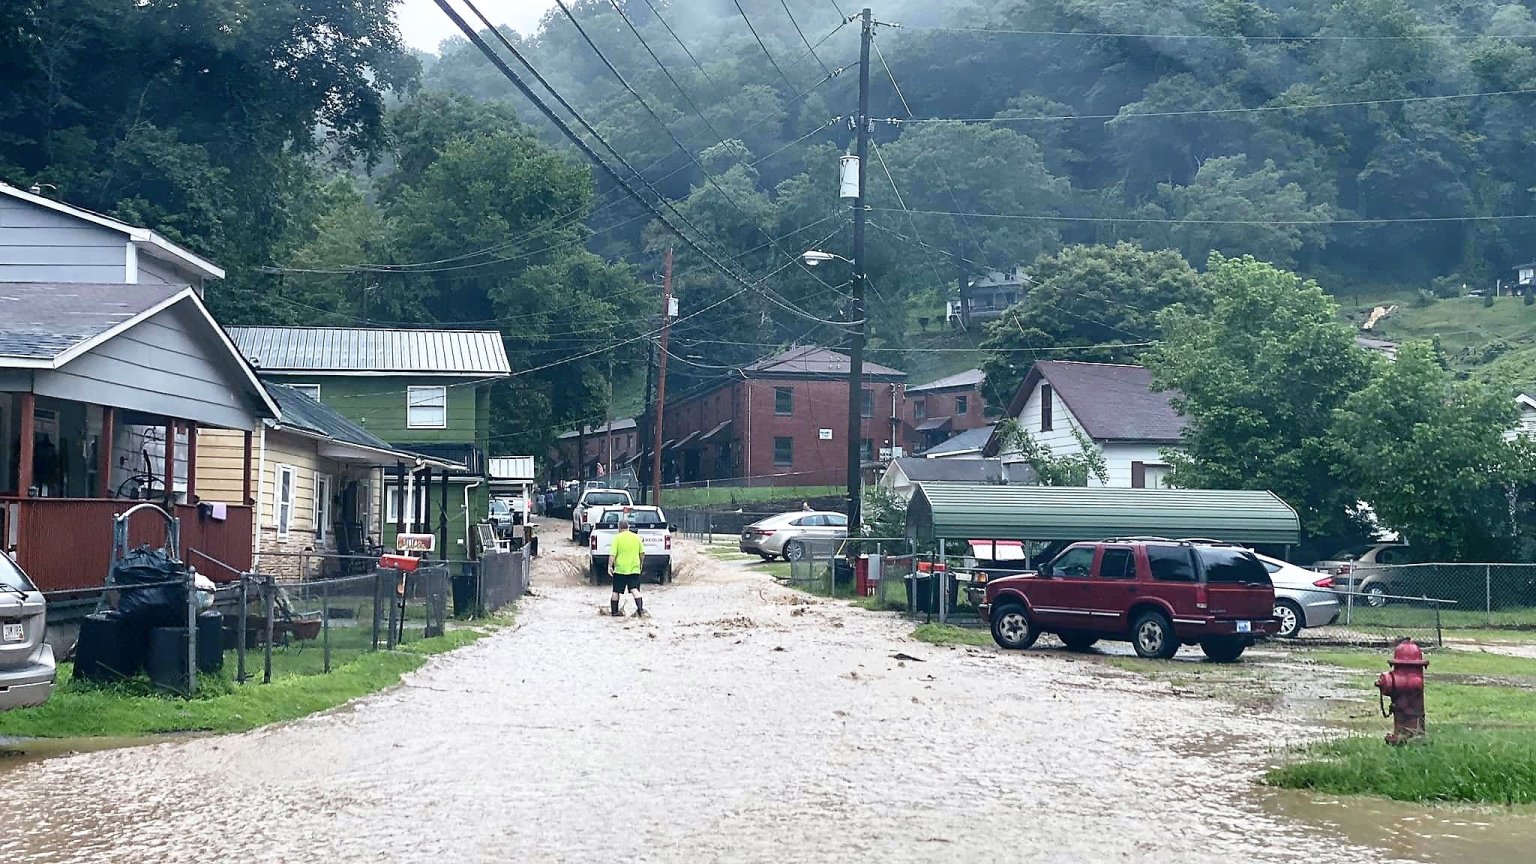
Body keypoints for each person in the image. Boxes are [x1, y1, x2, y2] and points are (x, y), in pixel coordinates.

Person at [609, 517, 646, 618]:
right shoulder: (636, 537)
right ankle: (640, 610)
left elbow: (612, 554)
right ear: (628, 527)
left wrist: (609, 566)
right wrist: (641, 564)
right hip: (634, 568)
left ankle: (614, 613)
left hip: (620, 569)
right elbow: (642, 554)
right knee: (635, 589)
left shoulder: (617, 538)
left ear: (619, 527)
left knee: (616, 591)